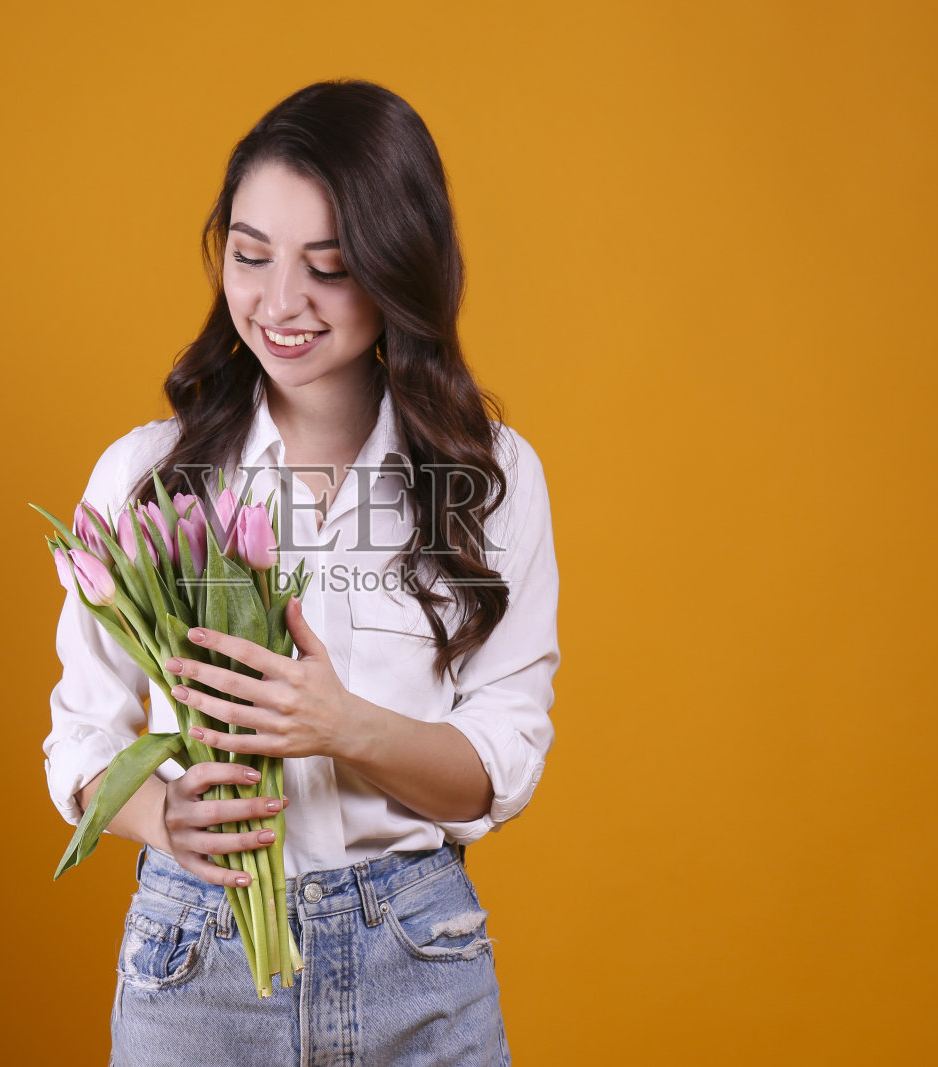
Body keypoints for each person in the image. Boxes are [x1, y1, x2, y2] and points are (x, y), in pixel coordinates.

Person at [42, 79, 560, 1066]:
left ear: (398, 268)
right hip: (201, 957)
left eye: (327, 267)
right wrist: (168, 815)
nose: (279, 303)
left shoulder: (489, 477)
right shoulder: (148, 477)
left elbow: (502, 758)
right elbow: (78, 737)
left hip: (418, 950)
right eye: (249, 256)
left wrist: (339, 725)